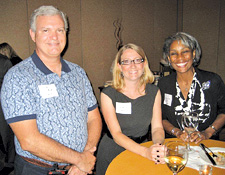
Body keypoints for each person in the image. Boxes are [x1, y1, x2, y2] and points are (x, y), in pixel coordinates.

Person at [1, 5, 102, 175]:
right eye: (46, 30)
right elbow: (29, 140)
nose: (54, 36)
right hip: (37, 170)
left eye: (60, 30)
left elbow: (93, 118)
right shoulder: (18, 77)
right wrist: (79, 159)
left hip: (79, 169)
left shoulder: (78, 72)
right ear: (33, 34)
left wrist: (84, 157)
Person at [96, 43, 165, 175]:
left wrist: (157, 147)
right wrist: (145, 152)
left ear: (144, 64)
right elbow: (116, 134)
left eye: (137, 60)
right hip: (113, 151)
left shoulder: (154, 91)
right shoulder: (108, 93)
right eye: (126, 62)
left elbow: (157, 128)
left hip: (144, 150)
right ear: (119, 66)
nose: (132, 66)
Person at [158, 32, 225, 144]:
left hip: (207, 144)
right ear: (169, 58)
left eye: (185, 52)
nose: (180, 58)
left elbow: (223, 112)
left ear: (193, 54)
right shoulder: (164, 84)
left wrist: (207, 133)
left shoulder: (212, 80)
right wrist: (177, 132)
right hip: (175, 145)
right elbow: (161, 118)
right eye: (174, 54)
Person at [0, 53, 14, 175]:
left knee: (5, 137)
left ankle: (8, 163)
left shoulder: (3, 62)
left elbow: (10, 89)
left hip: (2, 108)